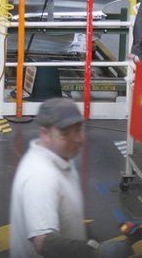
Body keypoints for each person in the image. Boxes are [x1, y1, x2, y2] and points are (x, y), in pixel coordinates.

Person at [8, 98, 134, 258]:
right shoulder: (40, 177)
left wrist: (92, 240)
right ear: (45, 134)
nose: (76, 138)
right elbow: (42, 242)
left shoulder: (62, 157)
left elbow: (67, 219)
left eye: (78, 130)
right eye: (64, 133)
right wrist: (96, 253)